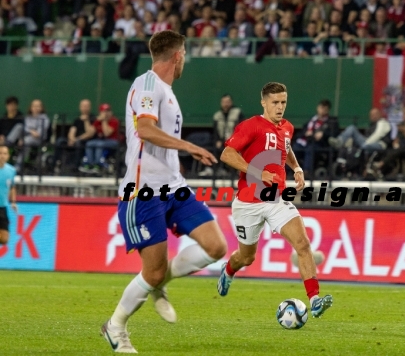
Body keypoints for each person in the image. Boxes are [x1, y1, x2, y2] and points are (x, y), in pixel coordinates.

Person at [101, 30, 227, 354]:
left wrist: (176, 165)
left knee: (216, 246)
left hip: (173, 188)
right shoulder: (146, 84)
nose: (184, 59)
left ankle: (160, 285)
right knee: (153, 271)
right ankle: (115, 326)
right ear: (177, 55)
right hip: (142, 191)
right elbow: (145, 129)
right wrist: (189, 146)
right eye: (184, 54)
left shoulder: (167, 92)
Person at [217, 82, 333, 319]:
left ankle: (315, 299)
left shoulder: (287, 127)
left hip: (275, 198)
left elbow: (286, 148)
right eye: (275, 103)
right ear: (264, 102)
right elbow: (227, 154)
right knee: (246, 257)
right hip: (248, 202)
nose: (280, 107)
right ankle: (228, 271)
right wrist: (258, 173)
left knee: (302, 243)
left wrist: (297, 167)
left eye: (283, 102)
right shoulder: (251, 126)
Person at [0, 146, 17, 245]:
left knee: (4, 239)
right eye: (0, 153)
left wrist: (13, 202)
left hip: (2, 207)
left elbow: (12, 187)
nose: (2, 156)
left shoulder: (11, 171)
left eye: (5, 153)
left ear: (8, 156)